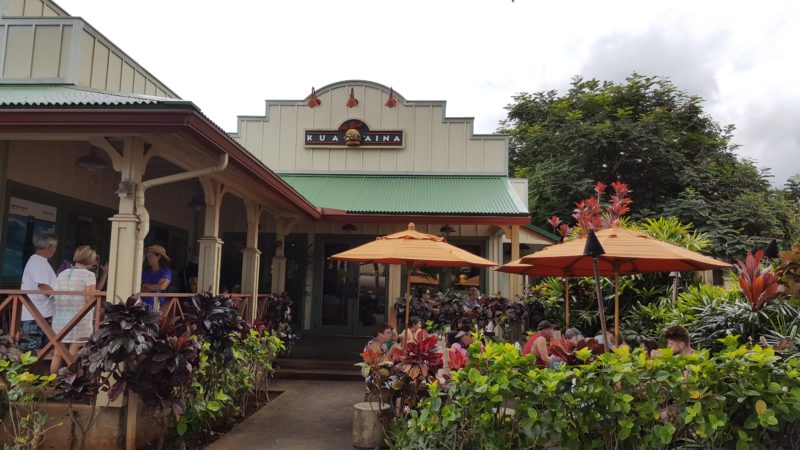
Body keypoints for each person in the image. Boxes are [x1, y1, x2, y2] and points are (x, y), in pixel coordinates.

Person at [50, 245, 106, 374]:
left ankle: (51, 385)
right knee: (74, 351)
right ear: (91, 260)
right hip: (79, 318)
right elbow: (89, 298)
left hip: (60, 317)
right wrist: (97, 294)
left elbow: (55, 295)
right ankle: (71, 384)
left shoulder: (63, 273)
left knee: (57, 353)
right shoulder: (88, 275)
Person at [20, 233, 59, 351]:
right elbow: (42, 285)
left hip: (38, 313)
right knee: (33, 352)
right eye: (55, 247)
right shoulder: (38, 262)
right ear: (50, 246)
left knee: (38, 351)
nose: (55, 250)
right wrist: (58, 299)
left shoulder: (37, 261)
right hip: (37, 314)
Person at [141, 245, 172, 311]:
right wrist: (156, 287)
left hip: (159, 306)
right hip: (142, 305)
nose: (148, 258)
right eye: (147, 256)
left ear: (159, 256)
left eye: (151, 256)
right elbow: (140, 288)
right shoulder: (145, 272)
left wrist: (146, 285)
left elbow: (162, 287)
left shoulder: (166, 272)